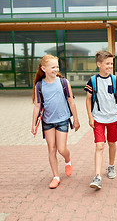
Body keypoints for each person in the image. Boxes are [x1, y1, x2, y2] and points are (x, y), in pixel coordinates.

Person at [31, 54, 80, 189]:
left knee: (61, 149)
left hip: (63, 120)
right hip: (47, 121)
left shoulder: (63, 83)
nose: (56, 69)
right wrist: (34, 124)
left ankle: (67, 159)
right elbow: (37, 105)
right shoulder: (39, 86)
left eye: (57, 66)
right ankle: (56, 176)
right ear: (43, 68)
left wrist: (76, 119)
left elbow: (71, 101)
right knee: (51, 149)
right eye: (52, 67)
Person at [84, 50, 117, 190]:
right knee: (99, 145)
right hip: (98, 119)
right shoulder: (93, 80)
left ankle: (111, 166)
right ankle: (97, 176)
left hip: (113, 118)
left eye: (111, 63)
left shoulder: (115, 80)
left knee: (112, 143)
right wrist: (90, 117)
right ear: (99, 64)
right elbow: (88, 99)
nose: (110, 66)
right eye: (107, 63)